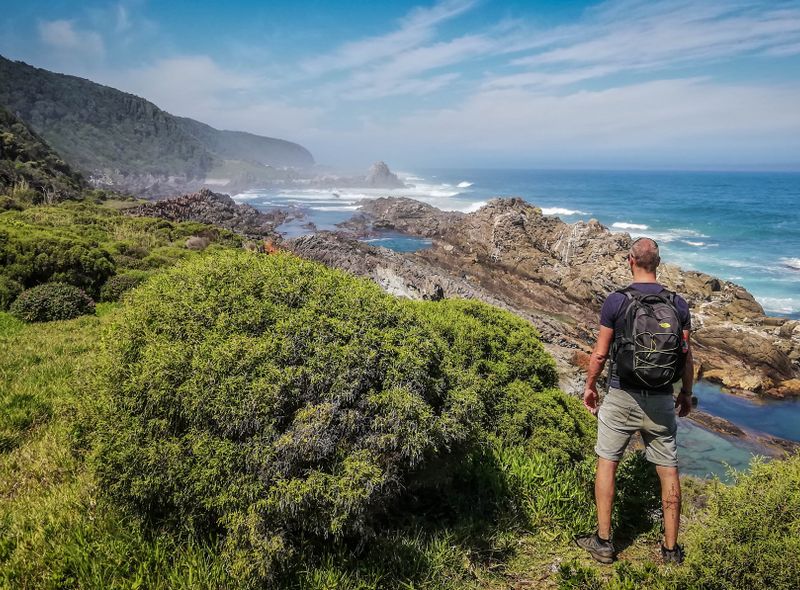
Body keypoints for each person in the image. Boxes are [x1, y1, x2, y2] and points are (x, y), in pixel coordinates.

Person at [577, 237, 694, 565]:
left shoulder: (616, 302)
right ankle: (671, 550)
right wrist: (685, 393)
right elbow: (686, 357)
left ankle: (603, 542)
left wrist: (590, 386)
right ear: (658, 263)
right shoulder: (678, 304)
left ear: (630, 261)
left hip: (621, 395)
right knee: (668, 471)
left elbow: (600, 353)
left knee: (607, 464)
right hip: (661, 400)